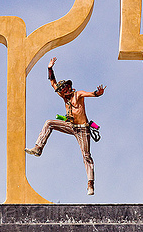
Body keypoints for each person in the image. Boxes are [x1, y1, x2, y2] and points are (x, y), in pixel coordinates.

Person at [25, 57, 106, 195]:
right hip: (70, 126)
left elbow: (91, 94)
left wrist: (97, 93)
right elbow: (52, 82)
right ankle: (38, 148)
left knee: (86, 155)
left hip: (82, 129)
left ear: (69, 88)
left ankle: (90, 183)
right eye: (62, 92)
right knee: (49, 123)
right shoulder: (64, 97)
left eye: (65, 90)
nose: (63, 93)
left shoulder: (77, 95)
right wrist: (50, 68)